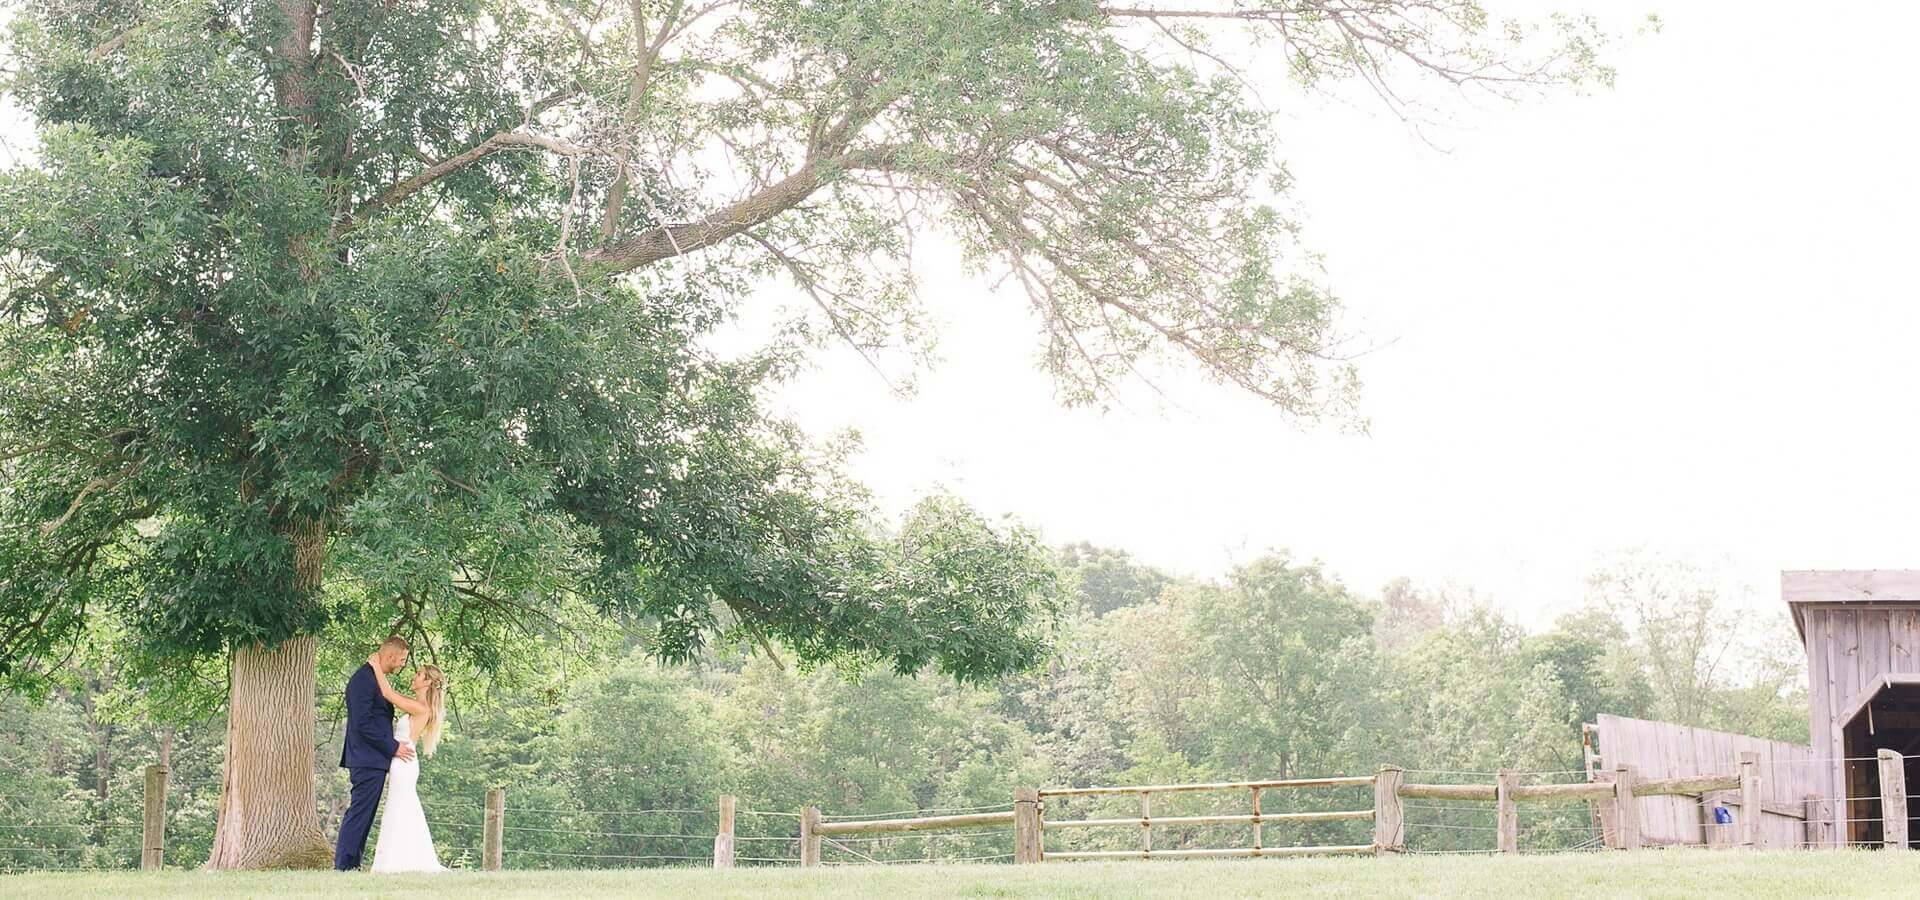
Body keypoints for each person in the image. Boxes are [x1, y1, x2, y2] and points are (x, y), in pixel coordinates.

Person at [334, 636, 414, 871]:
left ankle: (353, 863)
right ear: (390, 656)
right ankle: (344, 865)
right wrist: (393, 746)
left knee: (365, 813)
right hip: (366, 758)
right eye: (401, 660)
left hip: (373, 759)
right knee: (359, 812)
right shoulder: (363, 680)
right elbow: (362, 723)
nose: (402, 664)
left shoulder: (373, 677)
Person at [366, 660, 450, 873]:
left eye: (419, 674)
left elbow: (387, 692)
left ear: (427, 682)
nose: (414, 677)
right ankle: (398, 860)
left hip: (404, 763)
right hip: (402, 761)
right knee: (400, 806)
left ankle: (396, 862)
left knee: (400, 806)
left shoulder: (421, 708)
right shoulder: (418, 705)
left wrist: (375, 664)